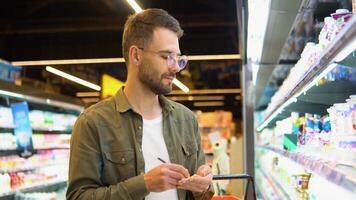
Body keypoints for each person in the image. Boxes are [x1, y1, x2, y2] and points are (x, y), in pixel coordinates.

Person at [66, 8, 214, 200]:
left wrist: (203, 186)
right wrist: (143, 184)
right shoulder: (93, 123)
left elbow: (204, 194)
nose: (175, 67)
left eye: (178, 58)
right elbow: (78, 196)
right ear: (136, 55)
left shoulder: (186, 120)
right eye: (166, 56)